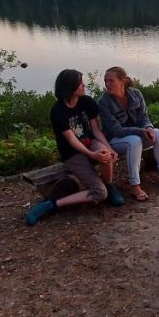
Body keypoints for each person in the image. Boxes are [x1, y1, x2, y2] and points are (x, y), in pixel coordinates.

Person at [25, 69, 125, 226]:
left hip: (90, 143)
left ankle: (109, 185)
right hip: (72, 153)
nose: (84, 86)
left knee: (105, 153)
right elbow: (72, 141)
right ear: (70, 87)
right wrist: (92, 155)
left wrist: (108, 147)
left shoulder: (87, 102)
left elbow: (96, 131)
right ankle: (50, 205)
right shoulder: (58, 111)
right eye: (80, 83)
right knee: (100, 194)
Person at [98, 66, 159, 201]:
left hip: (137, 135)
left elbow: (144, 118)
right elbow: (116, 130)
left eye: (111, 81)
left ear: (122, 81)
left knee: (158, 134)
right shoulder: (104, 102)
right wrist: (142, 131)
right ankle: (135, 185)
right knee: (134, 141)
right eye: (105, 81)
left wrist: (149, 128)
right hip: (114, 140)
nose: (107, 84)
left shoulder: (136, 95)